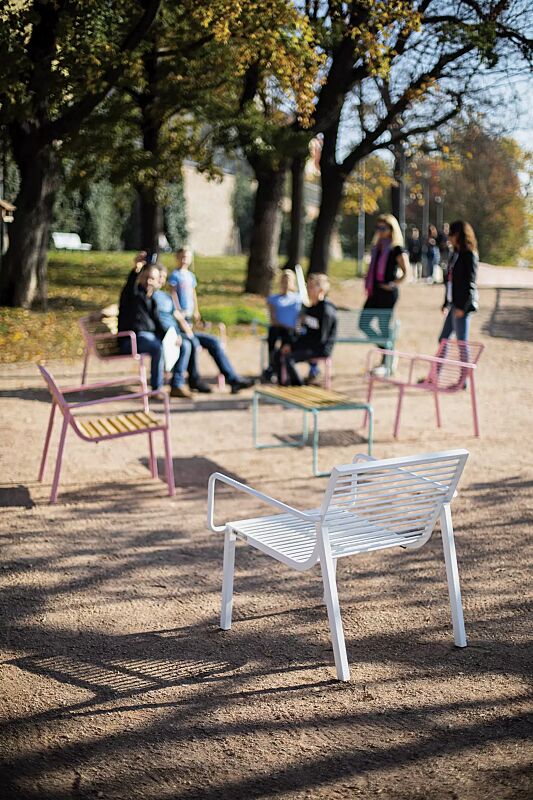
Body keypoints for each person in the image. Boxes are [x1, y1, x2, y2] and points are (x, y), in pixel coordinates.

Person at [167, 248, 254, 394]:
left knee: (213, 341)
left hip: (190, 323)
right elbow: (173, 294)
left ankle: (233, 379)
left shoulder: (190, 276)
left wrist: (196, 310)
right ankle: (194, 380)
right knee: (192, 343)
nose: (184, 260)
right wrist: (178, 311)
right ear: (177, 258)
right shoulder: (175, 276)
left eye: (187, 257)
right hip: (180, 325)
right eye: (182, 257)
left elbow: (193, 294)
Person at [152, 267, 208, 399]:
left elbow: (177, 317)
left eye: (163, 277)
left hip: (176, 331)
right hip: (161, 334)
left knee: (200, 341)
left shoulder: (165, 297)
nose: (161, 280)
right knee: (186, 345)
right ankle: (177, 384)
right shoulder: (148, 296)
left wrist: (187, 333)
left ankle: (193, 381)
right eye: (159, 276)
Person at [274, 272, 337, 387]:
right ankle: (283, 385)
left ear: (321, 290)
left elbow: (320, 339)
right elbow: (303, 332)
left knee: (289, 358)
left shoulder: (326, 311)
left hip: (320, 348)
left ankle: (298, 387)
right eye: (308, 286)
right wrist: (292, 342)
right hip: (310, 343)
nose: (308, 290)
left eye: (312, 287)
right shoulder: (310, 308)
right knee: (279, 353)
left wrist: (294, 346)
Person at [360, 214, 408, 362]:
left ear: (391, 229)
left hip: (387, 294)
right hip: (374, 292)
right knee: (363, 323)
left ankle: (387, 359)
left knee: (383, 326)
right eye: (378, 227)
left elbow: (406, 272)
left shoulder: (396, 248)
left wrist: (393, 284)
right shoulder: (377, 246)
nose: (379, 231)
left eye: (383, 228)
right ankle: (388, 350)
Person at [117, 254, 167, 390]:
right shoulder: (132, 295)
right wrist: (135, 269)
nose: (148, 281)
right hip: (130, 341)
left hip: (148, 338)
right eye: (145, 277)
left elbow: (158, 323)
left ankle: (176, 383)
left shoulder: (152, 300)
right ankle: (157, 388)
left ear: (158, 281)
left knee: (179, 344)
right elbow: (129, 286)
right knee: (157, 347)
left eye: (152, 279)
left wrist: (171, 337)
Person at [440, 220, 479, 344]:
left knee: (461, 343)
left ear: (457, 235)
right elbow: (451, 281)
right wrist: (446, 303)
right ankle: (439, 364)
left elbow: (470, 283)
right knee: (443, 340)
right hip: (454, 303)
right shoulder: (455, 254)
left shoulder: (469, 255)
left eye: (450, 234)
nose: (449, 238)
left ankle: (465, 365)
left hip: (461, 305)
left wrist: (462, 307)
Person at [262, 269, 302, 383]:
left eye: (288, 281)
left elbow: (301, 317)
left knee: (288, 336)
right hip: (279, 328)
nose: (286, 283)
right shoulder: (273, 299)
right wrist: (286, 325)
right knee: (273, 331)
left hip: (293, 331)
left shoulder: (299, 298)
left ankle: (276, 368)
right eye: (283, 281)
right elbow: (273, 319)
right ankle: (273, 365)